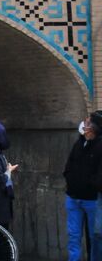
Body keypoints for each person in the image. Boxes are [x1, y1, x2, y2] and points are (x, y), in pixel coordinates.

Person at [64, 111, 102, 261]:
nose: (84, 124)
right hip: (73, 198)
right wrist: (71, 180)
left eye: (87, 122)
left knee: (95, 237)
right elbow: (69, 166)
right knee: (73, 236)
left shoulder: (100, 146)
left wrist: (88, 184)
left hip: (93, 200)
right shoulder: (79, 143)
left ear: (92, 128)